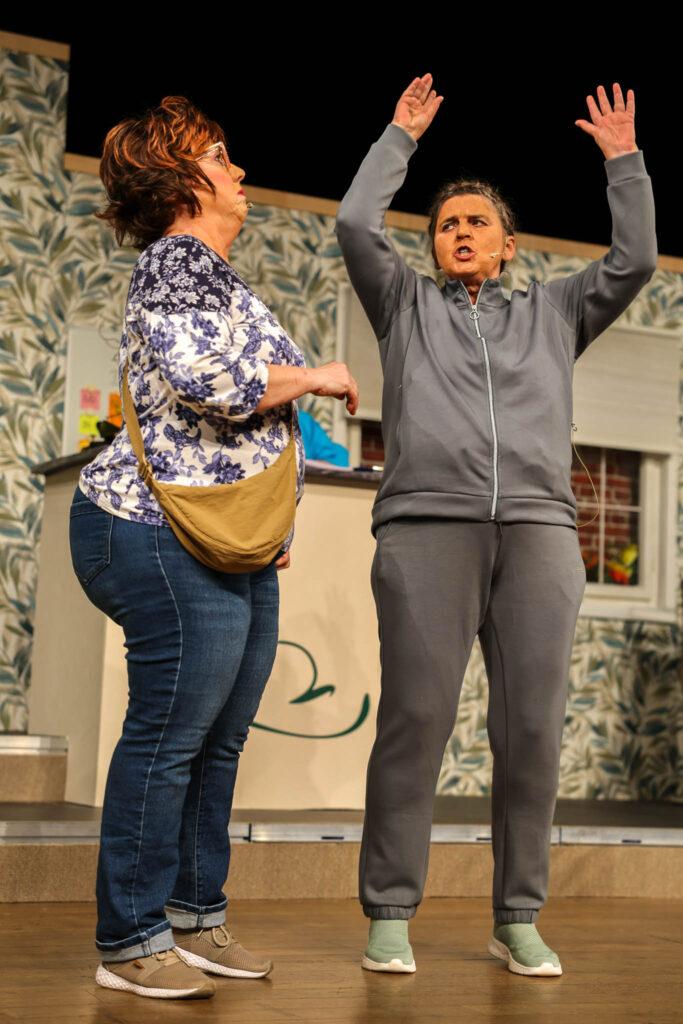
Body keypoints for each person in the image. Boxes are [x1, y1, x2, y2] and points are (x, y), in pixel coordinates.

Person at [336, 74, 656, 976]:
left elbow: (634, 260)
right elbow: (356, 223)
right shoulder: (403, 306)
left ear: (508, 247)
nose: (460, 232)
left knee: (531, 733)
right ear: (434, 246)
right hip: (425, 532)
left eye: (476, 222)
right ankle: (390, 910)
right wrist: (397, 138)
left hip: (538, 535)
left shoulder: (554, 312)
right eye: (446, 225)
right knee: (415, 721)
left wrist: (623, 161)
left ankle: (517, 915)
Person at [70, 95, 358, 1001]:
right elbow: (213, 383)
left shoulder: (215, 276)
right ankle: (129, 939)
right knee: (169, 737)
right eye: (220, 155)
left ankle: (194, 916)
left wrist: (267, 526)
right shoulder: (176, 262)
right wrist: (315, 375)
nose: (238, 169)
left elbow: (238, 425)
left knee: (218, 740)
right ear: (181, 180)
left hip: (224, 540)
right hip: (149, 529)